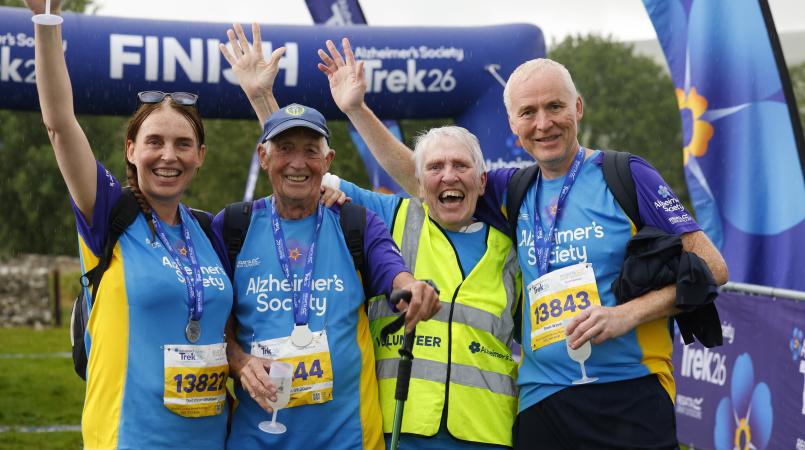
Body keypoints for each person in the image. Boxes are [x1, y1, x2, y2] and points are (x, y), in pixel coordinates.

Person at [318, 39, 729, 449]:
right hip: (542, 401)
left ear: (578, 108)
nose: (543, 124)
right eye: (528, 112)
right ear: (513, 124)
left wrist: (626, 315)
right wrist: (356, 109)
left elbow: (714, 268)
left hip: (629, 390)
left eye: (555, 107)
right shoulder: (511, 190)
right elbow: (426, 180)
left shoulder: (626, 175)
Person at [215, 25, 441, 449]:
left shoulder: (355, 222)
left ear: (328, 160)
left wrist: (414, 289)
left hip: (348, 439)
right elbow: (214, 324)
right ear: (264, 156)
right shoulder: (232, 226)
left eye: (310, 150)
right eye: (285, 149)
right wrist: (240, 361)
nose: (297, 163)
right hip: (255, 439)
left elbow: (395, 273)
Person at [26, 1, 234, 449]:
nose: (168, 156)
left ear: (200, 156)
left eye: (183, 144)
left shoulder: (209, 230)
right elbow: (59, 124)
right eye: (154, 141)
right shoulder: (108, 212)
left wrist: (332, 188)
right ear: (131, 150)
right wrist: (46, 20)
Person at [317, 42, 521, 449]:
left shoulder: (512, 250)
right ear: (420, 183)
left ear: (482, 182)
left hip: (489, 436)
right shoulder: (390, 217)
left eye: (461, 165)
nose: (448, 176)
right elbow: (303, 175)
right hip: (398, 432)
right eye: (435, 167)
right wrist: (263, 97)